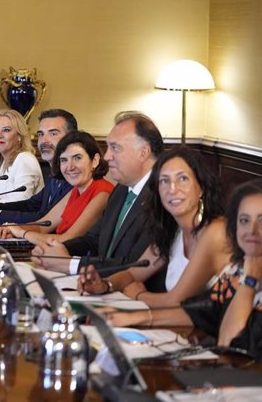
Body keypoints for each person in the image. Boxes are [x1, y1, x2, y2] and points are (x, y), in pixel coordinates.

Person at [110, 179, 262, 360]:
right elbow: (200, 312)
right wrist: (132, 318)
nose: (252, 230)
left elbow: (229, 347)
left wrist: (250, 281)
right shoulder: (236, 273)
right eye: (244, 220)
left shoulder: (247, 275)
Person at [78, 147, 231, 306]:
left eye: (183, 179)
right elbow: (133, 274)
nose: (172, 189)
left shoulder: (215, 231)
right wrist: (103, 285)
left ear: (202, 188)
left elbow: (178, 301)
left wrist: (139, 295)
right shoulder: (171, 230)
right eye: (164, 181)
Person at [31, 111, 164, 280]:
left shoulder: (163, 196)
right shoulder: (121, 190)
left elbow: (135, 264)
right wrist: (56, 249)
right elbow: (93, 240)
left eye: (115, 148)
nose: (107, 156)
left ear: (143, 153)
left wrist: (69, 264)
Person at [0, 131, 114, 245]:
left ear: (95, 160)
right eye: (64, 160)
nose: (70, 167)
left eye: (77, 158)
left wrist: (22, 233)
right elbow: (42, 227)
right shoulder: (76, 190)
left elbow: (68, 239)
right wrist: (9, 227)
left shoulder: (103, 193)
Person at [0, 108, 76, 225]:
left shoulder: (73, 178)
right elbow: (31, 204)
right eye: (41, 134)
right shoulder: (54, 176)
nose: (44, 140)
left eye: (53, 133)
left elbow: (43, 218)